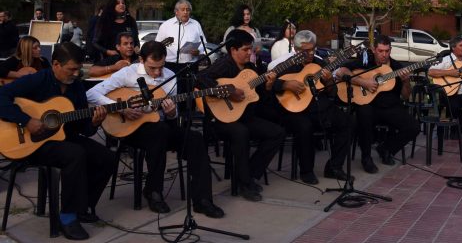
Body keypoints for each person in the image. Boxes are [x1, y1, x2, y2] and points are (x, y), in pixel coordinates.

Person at [86, 41, 225, 218]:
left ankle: (203, 200)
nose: (158, 72)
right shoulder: (127, 73)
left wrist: (172, 112)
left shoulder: (170, 76)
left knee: (195, 138)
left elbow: (171, 115)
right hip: (130, 129)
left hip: (160, 126)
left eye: (161, 67)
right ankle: (154, 192)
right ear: (141, 59)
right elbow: (90, 94)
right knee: (159, 131)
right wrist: (119, 107)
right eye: (152, 68)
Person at [0, 42, 115, 240]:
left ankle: (82, 205)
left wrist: (95, 123)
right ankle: (67, 217)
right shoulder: (38, 79)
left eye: (79, 69)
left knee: (106, 157)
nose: (76, 74)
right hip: (32, 143)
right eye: (71, 69)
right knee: (74, 154)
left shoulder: (77, 87)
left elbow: (82, 130)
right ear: (55, 64)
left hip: (62, 138)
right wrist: (26, 120)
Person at [197, 29, 285, 201]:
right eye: (245, 49)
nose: (249, 53)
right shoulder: (225, 64)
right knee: (241, 132)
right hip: (220, 120)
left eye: (250, 49)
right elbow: (200, 78)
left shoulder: (251, 69)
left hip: (244, 116)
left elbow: (262, 98)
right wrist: (228, 92)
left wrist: (268, 85)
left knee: (277, 133)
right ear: (233, 50)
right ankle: (244, 184)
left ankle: (249, 174)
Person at [263, 30, 353, 184]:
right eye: (306, 51)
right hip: (295, 110)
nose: (310, 53)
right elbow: (267, 81)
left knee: (348, 122)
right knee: (304, 127)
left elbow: (332, 93)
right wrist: (285, 84)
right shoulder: (286, 64)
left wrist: (329, 81)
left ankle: (334, 167)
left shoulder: (320, 64)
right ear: (297, 50)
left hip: (320, 107)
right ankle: (306, 170)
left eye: (313, 49)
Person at [336, 35, 420, 174]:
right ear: (374, 49)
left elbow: (405, 96)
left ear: (390, 50)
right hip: (369, 105)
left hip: (390, 107)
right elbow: (342, 71)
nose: (384, 54)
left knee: (414, 127)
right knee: (364, 115)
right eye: (380, 51)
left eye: (387, 51)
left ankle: (386, 148)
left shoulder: (396, 67)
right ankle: (366, 158)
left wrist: (406, 82)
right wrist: (364, 82)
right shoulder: (365, 61)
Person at [428, 36, 462, 136]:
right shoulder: (446, 60)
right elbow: (431, 71)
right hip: (450, 93)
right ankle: (455, 131)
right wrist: (450, 72)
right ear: (453, 48)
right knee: (455, 106)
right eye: (461, 45)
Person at [155, 0, 206, 74]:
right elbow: (157, 45)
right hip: (170, 65)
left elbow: (203, 43)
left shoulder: (196, 24)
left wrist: (199, 51)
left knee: (190, 85)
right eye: (183, 10)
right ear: (176, 11)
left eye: (187, 10)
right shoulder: (166, 25)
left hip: (190, 65)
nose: (185, 12)